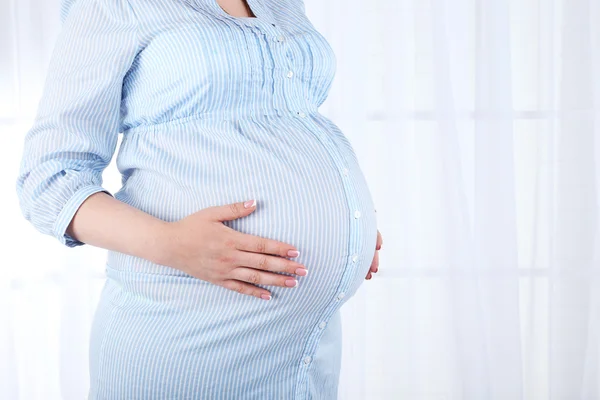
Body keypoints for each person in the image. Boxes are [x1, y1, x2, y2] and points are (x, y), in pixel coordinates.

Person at [15, 0, 383, 398]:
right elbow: (49, 179)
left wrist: (348, 218)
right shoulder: (116, 5)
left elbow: (287, 116)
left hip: (305, 352)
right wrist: (170, 243)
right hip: (187, 338)